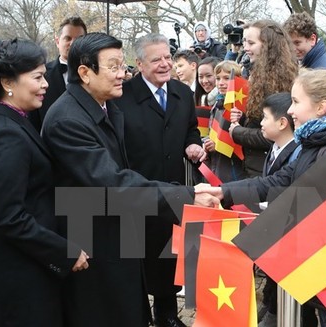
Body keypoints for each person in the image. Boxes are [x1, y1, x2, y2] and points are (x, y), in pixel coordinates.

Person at [41, 32, 216, 327]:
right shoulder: (68, 120)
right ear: (85, 72)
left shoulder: (101, 105)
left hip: (118, 227)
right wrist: (186, 195)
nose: (123, 74)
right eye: (113, 67)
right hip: (94, 239)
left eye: (122, 65)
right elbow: (112, 182)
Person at [196, 69, 326, 326]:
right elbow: (278, 181)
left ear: (321, 107)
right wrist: (224, 192)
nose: (291, 111)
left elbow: (313, 209)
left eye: (296, 102)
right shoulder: (313, 142)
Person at [0, 38, 89, 327]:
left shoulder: (11, 120)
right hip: (19, 276)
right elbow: (9, 216)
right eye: (37, 77)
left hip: (23, 267)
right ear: (8, 82)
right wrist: (63, 251)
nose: (46, 84)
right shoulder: (5, 134)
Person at [115, 33, 205, 327]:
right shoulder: (121, 97)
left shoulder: (181, 92)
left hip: (173, 192)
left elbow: (191, 129)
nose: (166, 64)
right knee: (136, 256)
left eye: (168, 57)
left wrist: (193, 143)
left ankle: (166, 313)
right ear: (139, 64)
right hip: (135, 191)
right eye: (157, 60)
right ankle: (137, 312)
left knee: (169, 255)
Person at [229, 19, 299, 177]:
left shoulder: (279, 82)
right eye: (245, 42)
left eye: (251, 43)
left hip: (266, 171)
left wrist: (237, 132)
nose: (245, 48)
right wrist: (243, 118)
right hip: (255, 166)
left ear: (268, 45)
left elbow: (275, 134)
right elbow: (259, 122)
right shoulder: (258, 75)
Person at [255, 92, 298, 327]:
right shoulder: (274, 148)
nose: (260, 123)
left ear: (282, 123)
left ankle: (274, 313)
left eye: (265, 117)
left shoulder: (296, 154)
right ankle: (270, 307)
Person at [28, 16, 87, 132]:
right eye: (68, 38)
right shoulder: (40, 76)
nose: (73, 43)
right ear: (57, 41)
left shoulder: (97, 75)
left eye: (79, 39)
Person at [202, 60, 247, 183]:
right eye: (218, 78)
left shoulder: (242, 107)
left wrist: (219, 145)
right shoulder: (216, 105)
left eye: (226, 78)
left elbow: (242, 142)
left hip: (234, 171)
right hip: (217, 166)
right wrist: (208, 144)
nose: (221, 83)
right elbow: (212, 133)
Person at [283, 12, 326, 81]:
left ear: (312, 39)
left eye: (297, 43)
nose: (293, 49)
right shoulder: (310, 65)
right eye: (289, 43)